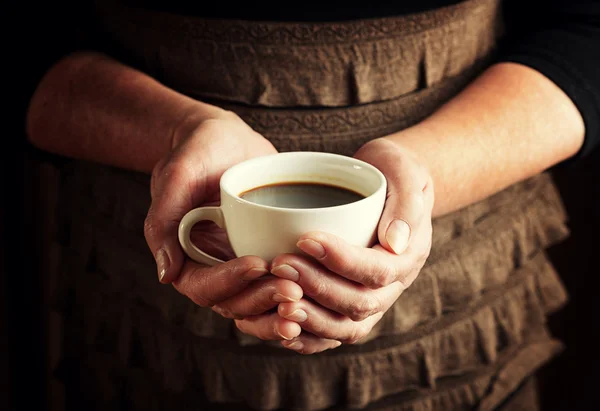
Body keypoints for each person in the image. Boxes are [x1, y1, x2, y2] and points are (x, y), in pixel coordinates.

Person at [23, 0, 600, 409]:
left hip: (463, 312)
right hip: (144, 326)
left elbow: (585, 34)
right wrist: (179, 130)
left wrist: (425, 172)